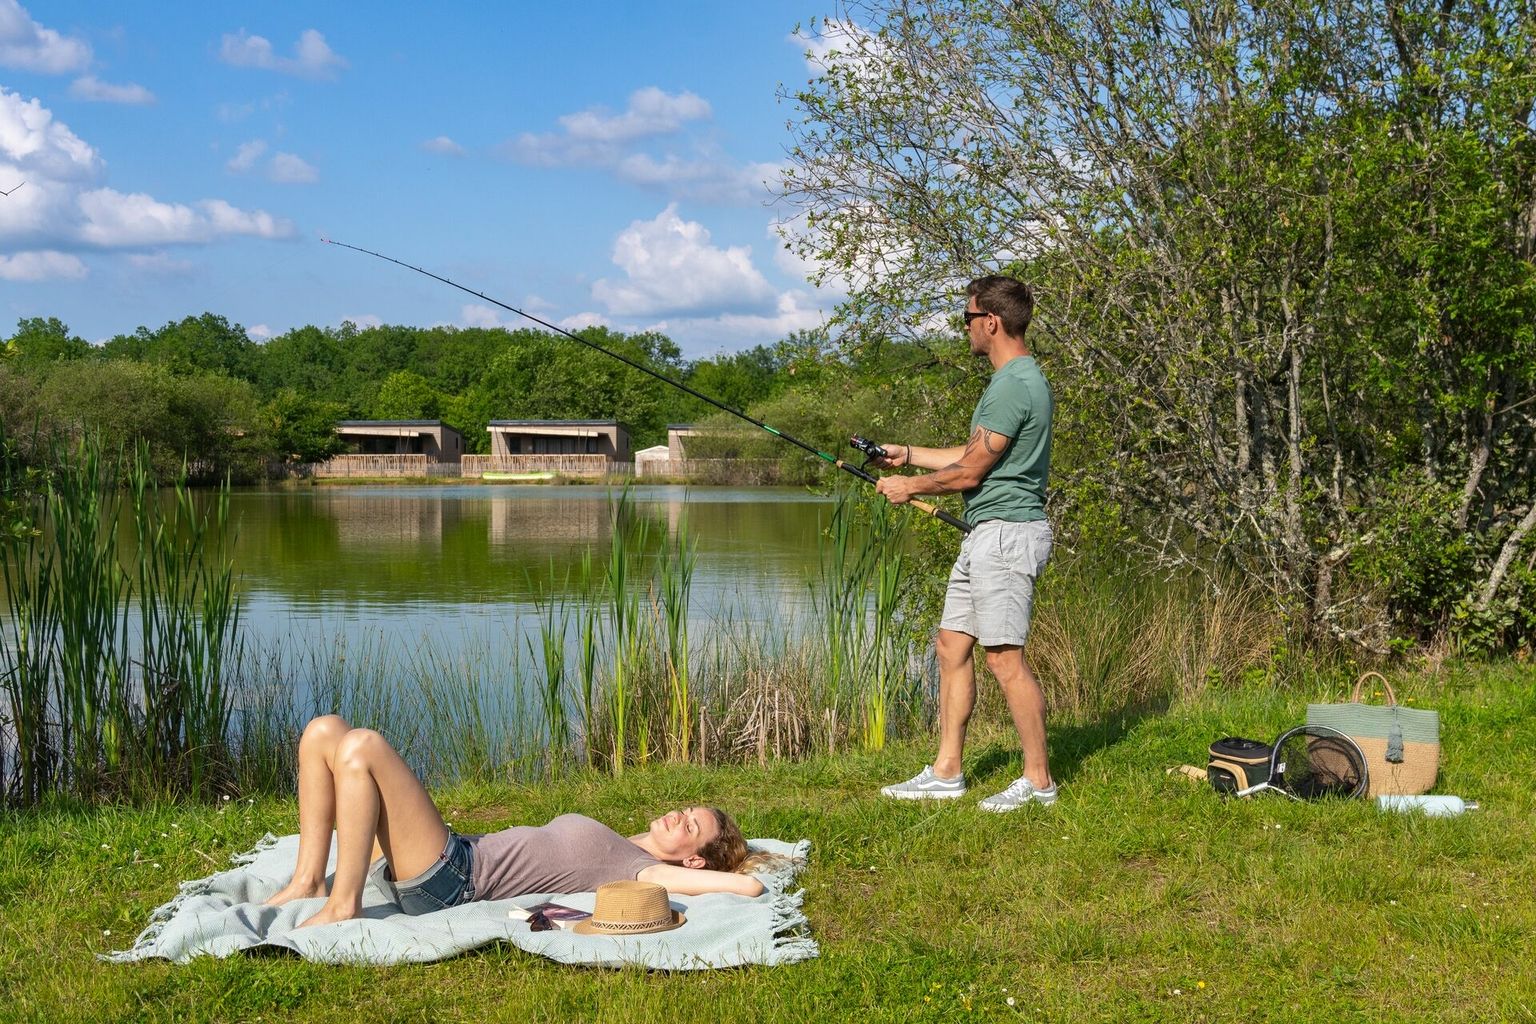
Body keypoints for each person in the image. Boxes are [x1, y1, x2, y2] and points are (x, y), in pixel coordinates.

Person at [265, 715, 764, 928]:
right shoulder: (621, 841)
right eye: (686, 811)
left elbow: (749, 887)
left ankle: (344, 904)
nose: (677, 816)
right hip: (446, 856)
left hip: (454, 879)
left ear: (693, 860)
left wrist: (742, 872)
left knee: (363, 746)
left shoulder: (640, 870)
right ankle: (309, 881)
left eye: (690, 827)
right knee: (323, 731)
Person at [871, 274, 1057, 812]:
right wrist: (907, 454)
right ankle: (947, 771)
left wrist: (911, 487)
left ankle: (1039, 782)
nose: (966, 328)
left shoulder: (1015, 383)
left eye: (968, 318)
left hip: (1007, 534)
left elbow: (971, 472)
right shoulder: (1010, 382)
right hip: (985, 533)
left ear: (991, 322)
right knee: (952, 645)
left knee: (1004, 659)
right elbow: (974, 453)